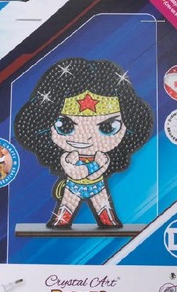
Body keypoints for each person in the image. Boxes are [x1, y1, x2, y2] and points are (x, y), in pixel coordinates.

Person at [15, 58, 153, 228]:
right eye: (65, 126)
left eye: (107, 127)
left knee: (103, 205)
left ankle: (107, 220)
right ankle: (61, 220)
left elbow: (98, 170)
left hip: (97, 186)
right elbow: (73, 171)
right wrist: (89, 169)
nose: (86, 138)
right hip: (73, 187)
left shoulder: (102, 157)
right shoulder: (70, 156)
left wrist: (90, 171)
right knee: (67, 205)